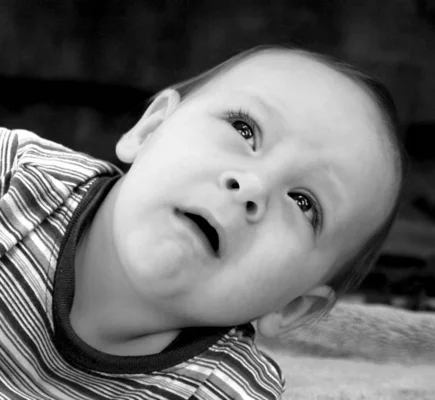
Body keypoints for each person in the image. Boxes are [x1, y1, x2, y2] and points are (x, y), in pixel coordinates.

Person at [0, 45, 406, 399]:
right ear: (151, 129)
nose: (252, 186)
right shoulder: (17, 175)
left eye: (303, 202)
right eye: (244, 129)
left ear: (293, 306)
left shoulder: (223, 388)